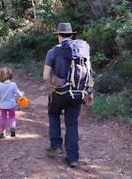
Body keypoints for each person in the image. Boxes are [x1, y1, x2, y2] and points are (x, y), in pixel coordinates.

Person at [42, 22, 93, 168]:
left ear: (58, 35)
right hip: (78, 92)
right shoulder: (81, 50)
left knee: (53, 113)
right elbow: (88, 72)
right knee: (72, 123)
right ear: (71, 35)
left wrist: (55, 83)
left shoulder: (53, 51)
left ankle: (56, 146)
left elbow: (45, 76)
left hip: (60, 92)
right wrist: (90, 92)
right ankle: (72, 158)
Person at [0, 67, 24, 138]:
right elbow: (19, 94)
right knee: (12, 117)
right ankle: (12, 129)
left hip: (3, 105)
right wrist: (21, 94)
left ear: (1, 76)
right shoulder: (13, 84)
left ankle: (3, 132)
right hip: (11, 105)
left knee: (3, 118)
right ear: (10, 75)